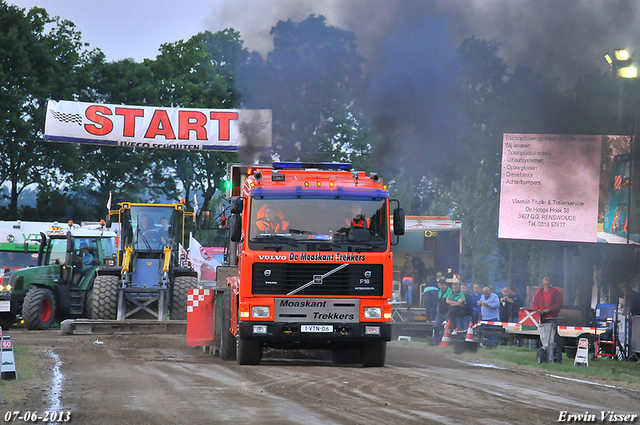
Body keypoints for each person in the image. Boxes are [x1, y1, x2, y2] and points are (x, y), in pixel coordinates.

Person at [532, 277, 564, 362]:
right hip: (542, 318)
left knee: (552, 338)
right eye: (545, 279)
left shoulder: (555, 292)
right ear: (542, 282)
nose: (547, 280)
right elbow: (535, 304)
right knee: (543, 336)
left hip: (551, 317)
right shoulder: (539, 293)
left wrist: (549, 309)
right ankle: (545, 354)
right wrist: (539, 311)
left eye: (548, 279)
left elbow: (559, 303)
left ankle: (552, 355)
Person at [431, 279, 452, 345]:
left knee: (449, 326)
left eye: (440, 285)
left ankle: (442, 338)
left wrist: (449, 311)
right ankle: (436, 340)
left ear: (443, 284)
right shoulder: (439, 292)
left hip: (446, 312)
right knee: (436, 326)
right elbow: (439, 301)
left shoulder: (450, 291)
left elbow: (450, 302)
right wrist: (438, 308)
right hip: (440, 312)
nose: (439, 287)